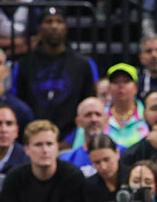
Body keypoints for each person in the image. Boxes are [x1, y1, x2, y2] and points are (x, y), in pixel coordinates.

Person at [13, 8, 98, 136]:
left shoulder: (83, 64)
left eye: (59, 21)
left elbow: (90, 104)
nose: (54, 26)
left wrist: (71, 140)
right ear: (40, 28)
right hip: (34, 139)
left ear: (66, 28)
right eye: (49, 21)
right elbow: (19, 104)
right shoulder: (24, 64)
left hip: (72, 141)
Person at [0, 120, 84, 202]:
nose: (45, 150)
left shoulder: (72, 176)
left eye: (49, 144)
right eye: (38, 145)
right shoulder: (15, 178)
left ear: (57, 147)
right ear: (27, 149)